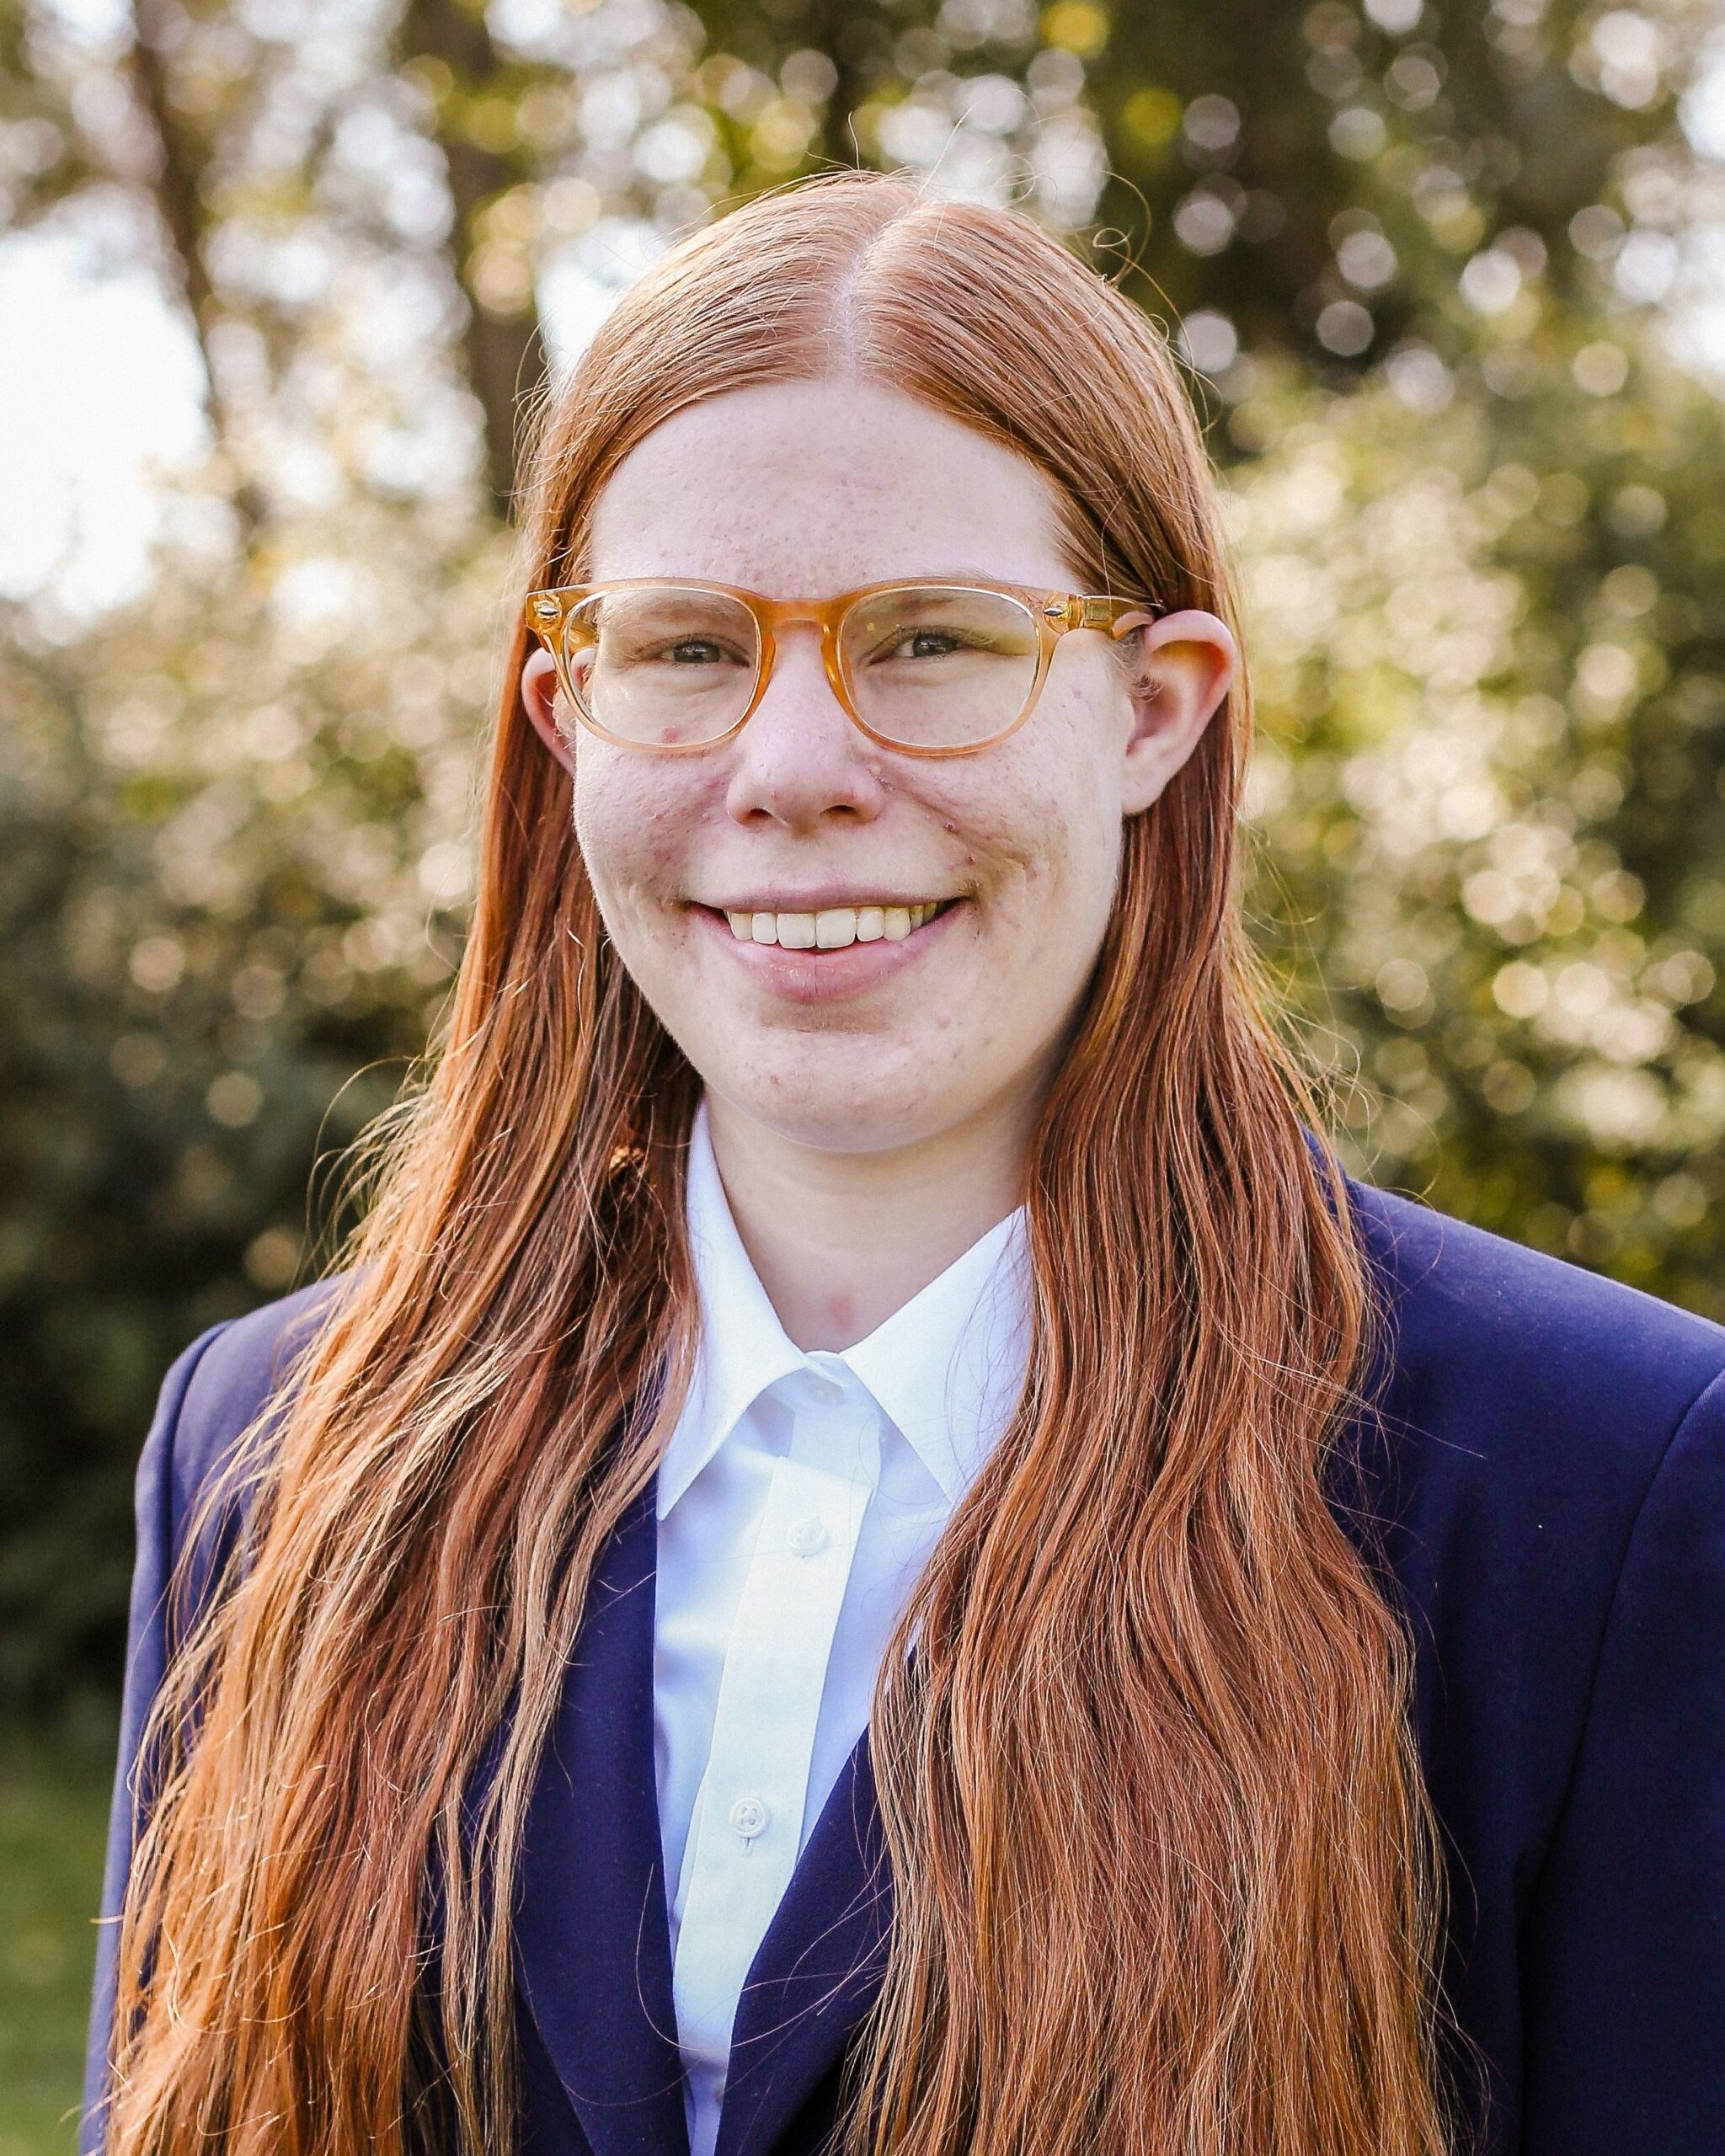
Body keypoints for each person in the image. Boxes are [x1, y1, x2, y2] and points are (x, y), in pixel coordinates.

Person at [83, 169, 1724, 2156]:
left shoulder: (1602, 1479)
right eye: (684, 646)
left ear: (1153, 709)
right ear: (562, 710)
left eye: (931, 639)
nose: (788, 763)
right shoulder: (272, 1447)